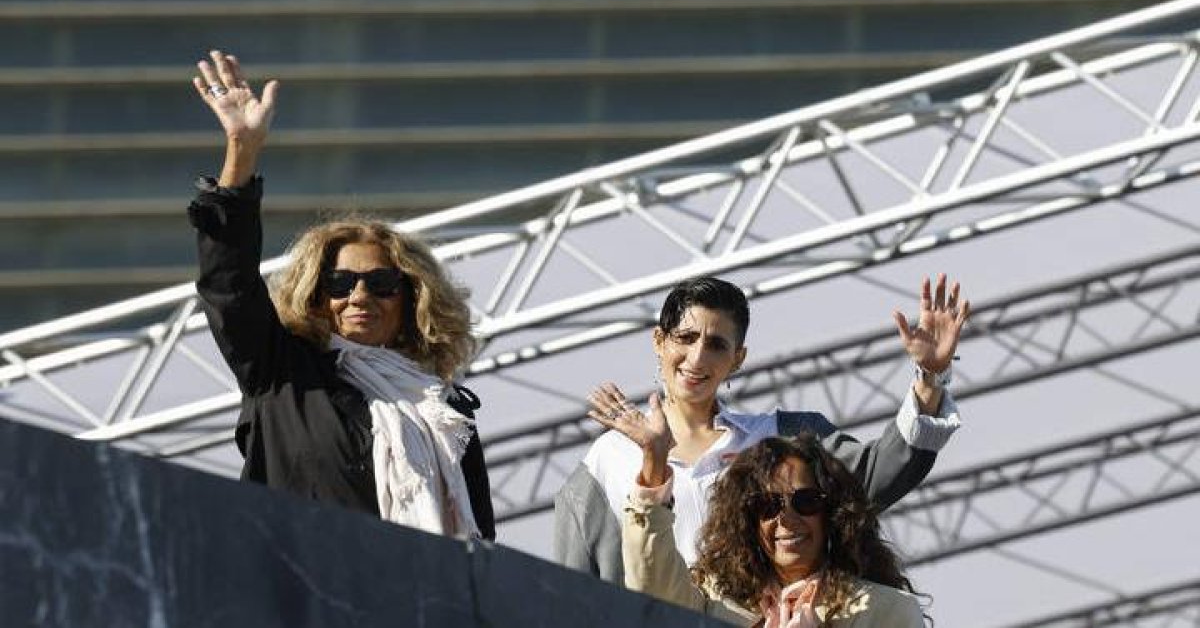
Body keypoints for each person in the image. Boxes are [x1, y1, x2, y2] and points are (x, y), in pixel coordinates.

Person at [187, 50, 493, 539]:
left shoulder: (446, 409)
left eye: (382, 283)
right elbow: (230, 287)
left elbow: (481, 539)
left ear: (412, 299)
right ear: (316, 295)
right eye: (340, 283)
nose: (360, 296)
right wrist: (240, 154)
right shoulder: (284, 376)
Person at [555, 275, 968, 581]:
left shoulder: (781, 438)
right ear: (659, 341)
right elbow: (568, 597)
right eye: (685, 337)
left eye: (717, 344)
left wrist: (930, 376)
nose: (697, 358)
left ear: (738, 358)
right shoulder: (604, 464)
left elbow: (885, 471)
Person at [623, 434, 926, 626]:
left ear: (831, 512)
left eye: (805, 501)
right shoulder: (713, 597)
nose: (786, 519)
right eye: (767, 505)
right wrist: (653, 470)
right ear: (748, 520)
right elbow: (655, 594)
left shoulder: (888, 611)